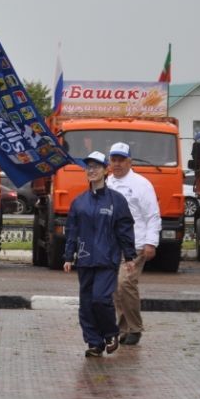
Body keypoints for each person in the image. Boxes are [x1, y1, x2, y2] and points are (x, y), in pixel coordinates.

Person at [63, 151, 137, 358]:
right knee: (86, 304)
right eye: (89, 167)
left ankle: (111, 333)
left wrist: (129, 256)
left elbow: (124, 229)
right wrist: (69, 256)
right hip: (85, 259)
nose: (92, 170)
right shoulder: (79, 202)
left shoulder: (117, 201)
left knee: (101, 299)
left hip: (107, 259)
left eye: (96, 167)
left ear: (106, 171)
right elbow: (72, 231)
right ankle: (94, 343)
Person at [104, 142, 161, 346]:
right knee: (114, 288)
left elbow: (152, 215)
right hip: (111, 244)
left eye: (121, 160)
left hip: (134, 244)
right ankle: (123, 329)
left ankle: (134, 328)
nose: (117, 164)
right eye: (114, 160)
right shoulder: (107, 183)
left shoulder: (141, 184)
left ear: (130, 162)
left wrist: (151, 243)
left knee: (125, 283)